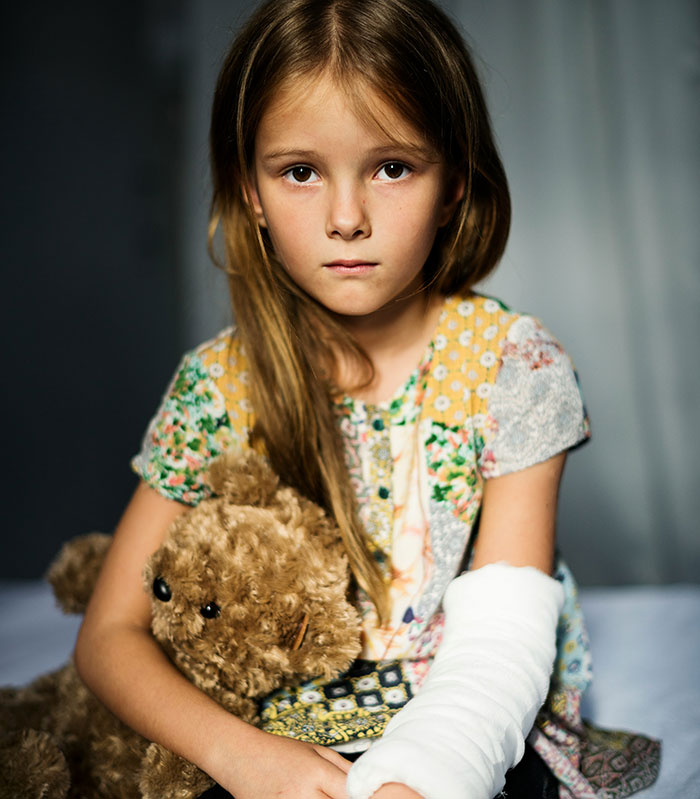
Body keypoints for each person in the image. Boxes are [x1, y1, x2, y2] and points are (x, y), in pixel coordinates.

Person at [75, 1, 661, 797]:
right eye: (300, 171)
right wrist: (239, 754)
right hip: (269, 730)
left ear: (454, 181)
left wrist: (421, 776)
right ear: (248, 189)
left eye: (392, 167)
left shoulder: (511, 367)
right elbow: (109, 634)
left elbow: (501, 640)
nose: (346, 219)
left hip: (471, 710)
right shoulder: (219, 386)